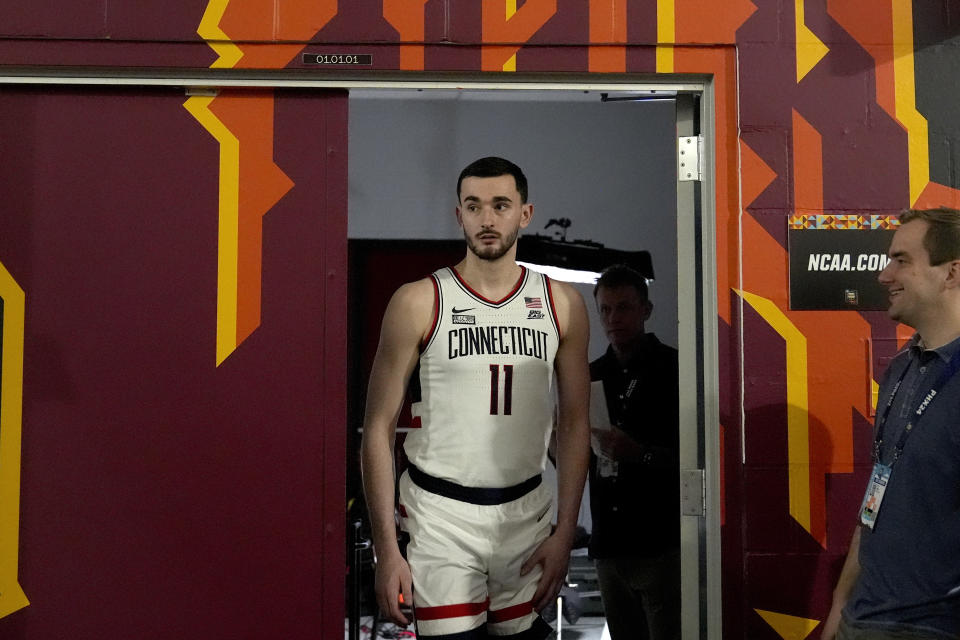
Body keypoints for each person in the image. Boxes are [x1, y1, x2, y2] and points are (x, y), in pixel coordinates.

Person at [360, 156, 591, 640]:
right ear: (458, 214)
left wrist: (565, 531)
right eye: (474, 206)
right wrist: (387, 550)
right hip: (439, 515)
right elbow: (377, 429)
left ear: (524, 214)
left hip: (526, 513)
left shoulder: (562, 303)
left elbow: (574, 426)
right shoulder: (418, 300)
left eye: (500, 205)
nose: (487, 219)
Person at [821, 207, 960, 640]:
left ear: (951, 273)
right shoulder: (900, 370)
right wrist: (839, 608)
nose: (884, 275)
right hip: (862, 620)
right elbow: (876, 499)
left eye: (902, 260)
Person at [588, 264, 681, 640]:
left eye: (623, 308)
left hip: (658, 542)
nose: (613, 319)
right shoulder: (591, 373)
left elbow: (696, 461)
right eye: (605, 310)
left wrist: (639, 454)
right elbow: (575, 462)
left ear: (646, 310)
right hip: (609, 543)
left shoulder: (675, 369)